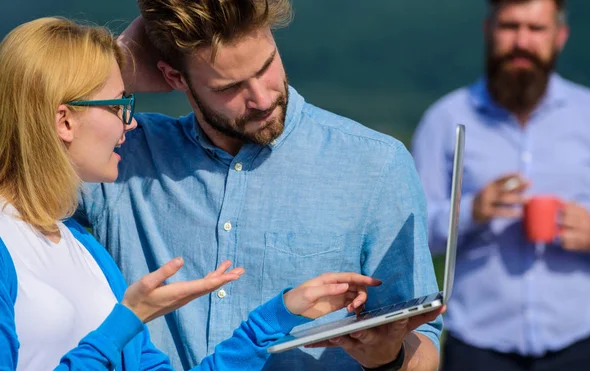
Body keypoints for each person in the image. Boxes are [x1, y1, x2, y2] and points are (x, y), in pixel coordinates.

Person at [75, 0, 445, 370]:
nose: (263, 98)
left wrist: (388, 357)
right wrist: (116, 66)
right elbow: (26, 143)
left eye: (266, 66)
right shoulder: (120, 156)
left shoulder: (376, 163)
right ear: (174, 78)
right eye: (229, 87)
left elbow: (424, 342)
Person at [0, 16, 385, 370]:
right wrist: (128, 320)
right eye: (119, 105)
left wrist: (278, 316)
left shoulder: (84, 247)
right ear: (64, 121)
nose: (130, 123)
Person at [411, 0, 590, 370]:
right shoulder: (445, 119)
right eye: (510, 26)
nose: (521, 42)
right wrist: (469, 212)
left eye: (536, 29)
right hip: (477, 343)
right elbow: (414, 235)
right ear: (488, 30)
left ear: (560, 36)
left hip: (580, 340)